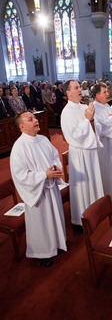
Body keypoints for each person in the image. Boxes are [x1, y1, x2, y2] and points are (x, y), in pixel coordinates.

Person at [10, 111, 67, 266]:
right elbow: (20, 175)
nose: (36, 120)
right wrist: (44, 175)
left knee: (54, 217)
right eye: (31, 119)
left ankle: (55, 243)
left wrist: (56, 167)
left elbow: (55, 156)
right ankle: (42, 253)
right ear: (22, 126)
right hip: (38, 192)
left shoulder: (42, 139)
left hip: (51, 186)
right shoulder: (19, 148)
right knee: (41, 222)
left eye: (35, 118)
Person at [61, 80, 104, 231]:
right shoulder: (67, 112)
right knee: (82, 187)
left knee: (92, 182)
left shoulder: (84, 107)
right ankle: (80, 219)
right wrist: (87, 119)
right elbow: (73, 136)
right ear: (68, 92)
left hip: (90, 152)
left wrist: (91, 119)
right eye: (76, 87)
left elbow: (95, 128)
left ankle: (94, 213)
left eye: (80, 87)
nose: (80, 90)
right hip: (79, 154)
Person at [92, 82, 112, 201]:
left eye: (107, 91)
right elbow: (100, 127)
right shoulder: (94, 108)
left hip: (111, 142)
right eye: (104, 92)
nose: (108, 93)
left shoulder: (106, 106)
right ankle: (107, 194)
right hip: (103, 144)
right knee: (106, 168)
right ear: (96, 95)